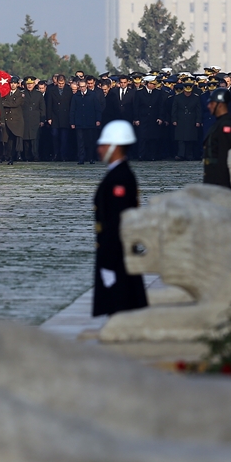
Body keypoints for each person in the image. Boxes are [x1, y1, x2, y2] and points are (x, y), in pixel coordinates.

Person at [91, 120, 148, 317]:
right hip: (115, 252)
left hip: (116, 255)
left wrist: (107, 261)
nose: (99, 149)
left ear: (115, 147)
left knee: (121, 305)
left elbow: (117, 222)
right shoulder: (117, 174)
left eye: (104, 145)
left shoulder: (119, 179)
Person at [201, 88, 231, 188]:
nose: (209, 106)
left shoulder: (225, 126)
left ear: (220, 105)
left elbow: (224, 155)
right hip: (213, 177)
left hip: (219, 180)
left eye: (212, 103)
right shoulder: (218, 124)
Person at [170, 83, 203, 160]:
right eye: (186, 92)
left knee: (190, 138)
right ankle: (180, 154)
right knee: (181, 139)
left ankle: (189, 155)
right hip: (180, 119)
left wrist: (198, 120)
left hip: (191, 119)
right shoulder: (178, 97)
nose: (188, 93)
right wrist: (174, 119)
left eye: (189, 92)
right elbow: (174, 109)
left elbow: (199, 110)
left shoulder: (195, 97)